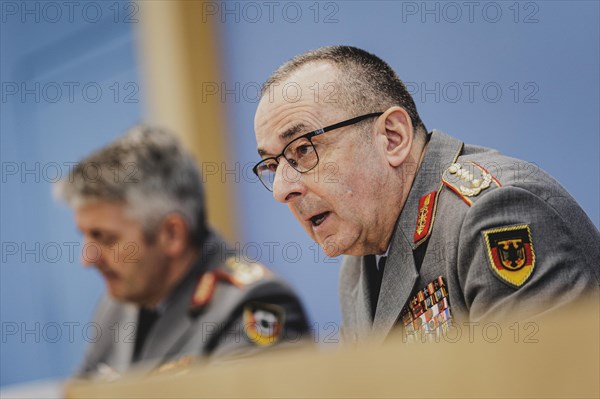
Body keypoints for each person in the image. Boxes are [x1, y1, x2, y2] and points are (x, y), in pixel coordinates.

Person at [251, 46, 599, 344]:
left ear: (392, 137)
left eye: (303, 149)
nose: (282, 189)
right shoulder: (357, 265)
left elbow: (543, 384)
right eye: (271, 165)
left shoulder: (493, 216)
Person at [55, 125, 309, 378]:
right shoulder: (117, 303)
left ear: (172, 234)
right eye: (85, 235)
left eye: (106, 238)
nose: (87, 259)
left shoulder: (255, 305)